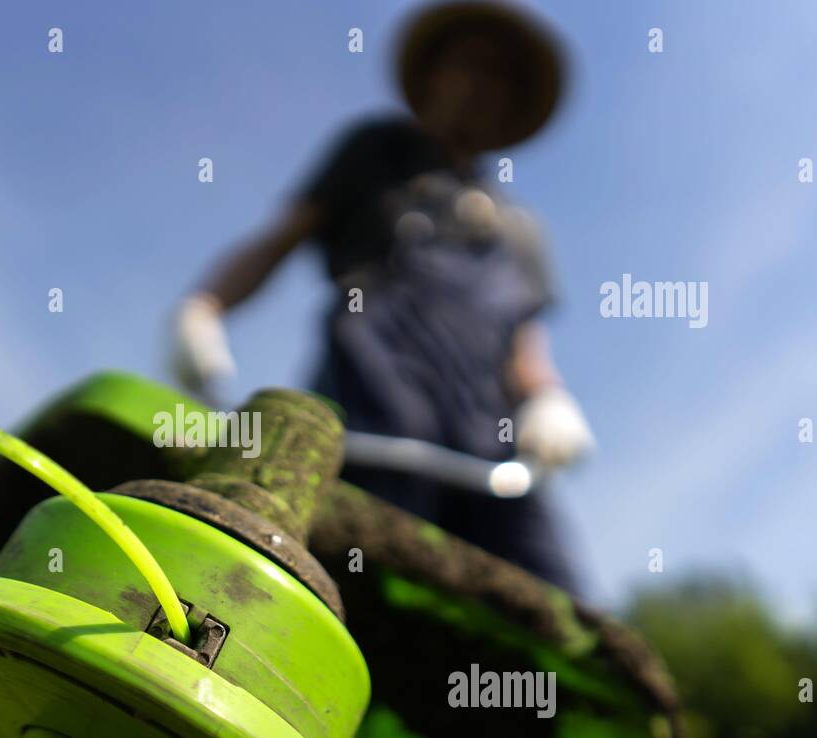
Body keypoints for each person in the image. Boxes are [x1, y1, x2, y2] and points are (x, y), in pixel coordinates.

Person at [169, 1, 593, 594]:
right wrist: (206, 306)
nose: (480, 85)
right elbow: (279, 240)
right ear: (433, 75)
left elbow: (521, 344)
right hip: (370, 432)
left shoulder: (519, 228)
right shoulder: (375, 155)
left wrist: (550, 399)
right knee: (344, 590)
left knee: (550, 607)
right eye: (467, 65)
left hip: (489, 463)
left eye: (499, 76)